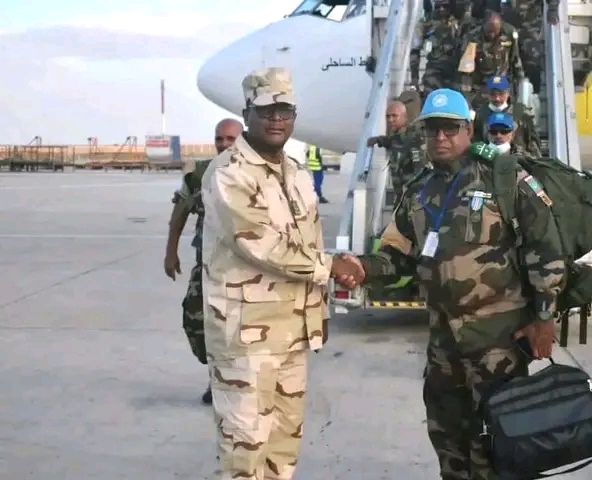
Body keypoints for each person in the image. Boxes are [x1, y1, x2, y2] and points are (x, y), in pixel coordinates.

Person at [349, 88, 565, 479]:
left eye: (450, 128)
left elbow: (545, 247)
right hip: (443, 344)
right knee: (449, 441)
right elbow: (397, 254)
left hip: (498, 342)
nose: (440, 137)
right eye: (432, 129)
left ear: (468, 129)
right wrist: (362, 267)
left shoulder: (503, 178)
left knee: (502, 446)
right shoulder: (418, 190)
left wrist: (545, 316)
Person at [200, 67, 363, 480]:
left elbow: (305, 243)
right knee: (245, 452)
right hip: (247, 342)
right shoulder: (230, 172)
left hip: (292, 335)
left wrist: (321, 303)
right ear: (247, 114)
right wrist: (331, 267)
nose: (276, 118)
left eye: (285, 110)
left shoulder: (296, 172)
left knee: (282, 451)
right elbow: (260, 242)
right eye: (266, 110)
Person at [164, 118, 243, 405]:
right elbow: (180, 212)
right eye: (219, 139)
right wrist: (171, 252)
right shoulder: (200, 174)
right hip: (208, 265)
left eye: (230, 139)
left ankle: (228, 382)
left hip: (245, 270)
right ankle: (217, 373)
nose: (224, 144)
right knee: (196, 322)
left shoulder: (256, 173)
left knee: (240, 329)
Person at [456, 11, 524, 108]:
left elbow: (515, 58)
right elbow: (466, 69)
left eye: (495, 31)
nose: (492, 35)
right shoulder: (472, 38)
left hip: (503, 82)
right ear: (484, 26)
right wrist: (467, 96)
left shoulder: (509, 33)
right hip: (481, 85)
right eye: (489, 32)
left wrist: (520, 80)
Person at [473, 75, 541, 155]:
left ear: (508, 93)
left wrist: (534, 157)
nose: (497, 98)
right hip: (489, 157)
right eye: (493, 94)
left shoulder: (520, 112)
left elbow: (532, 140)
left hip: (519, 157)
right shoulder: (481, 114)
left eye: (501, 94)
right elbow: (477, 140)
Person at [422, 0, 471, 94]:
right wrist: (414, 78)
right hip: (434, 69)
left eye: (445, 6)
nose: (441, 9)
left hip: (454, 69)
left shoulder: (459, 23)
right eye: (438, 7)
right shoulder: (427, 24)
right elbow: (415, 50)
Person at [514, 0, 560, 93]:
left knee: (531, 60)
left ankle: (534, 93)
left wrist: (552, 9)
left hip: (530, 24)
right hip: (505, 24)